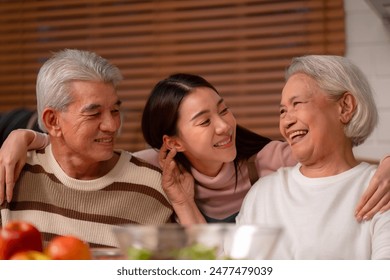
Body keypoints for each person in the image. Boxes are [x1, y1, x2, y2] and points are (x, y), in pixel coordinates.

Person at [3, 71, 390, 224]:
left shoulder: (266, 159)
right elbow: (90, 150)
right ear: (172, 142)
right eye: (204, 121)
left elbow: (344, 160)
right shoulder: (154, 166)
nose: (225, 126)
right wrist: (28, 137)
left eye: (224, 110)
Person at [0, 49, 176, 248]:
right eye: (94, 114)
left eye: (115, 110)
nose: (112, 126)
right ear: (53, 121)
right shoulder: (10, 175)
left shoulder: (151, 187)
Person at [235, 55, 390, 259]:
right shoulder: (263, 194)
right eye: (282, 111)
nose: (286, 122)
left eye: (297, 103)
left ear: (345, 107)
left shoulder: (381, 190)